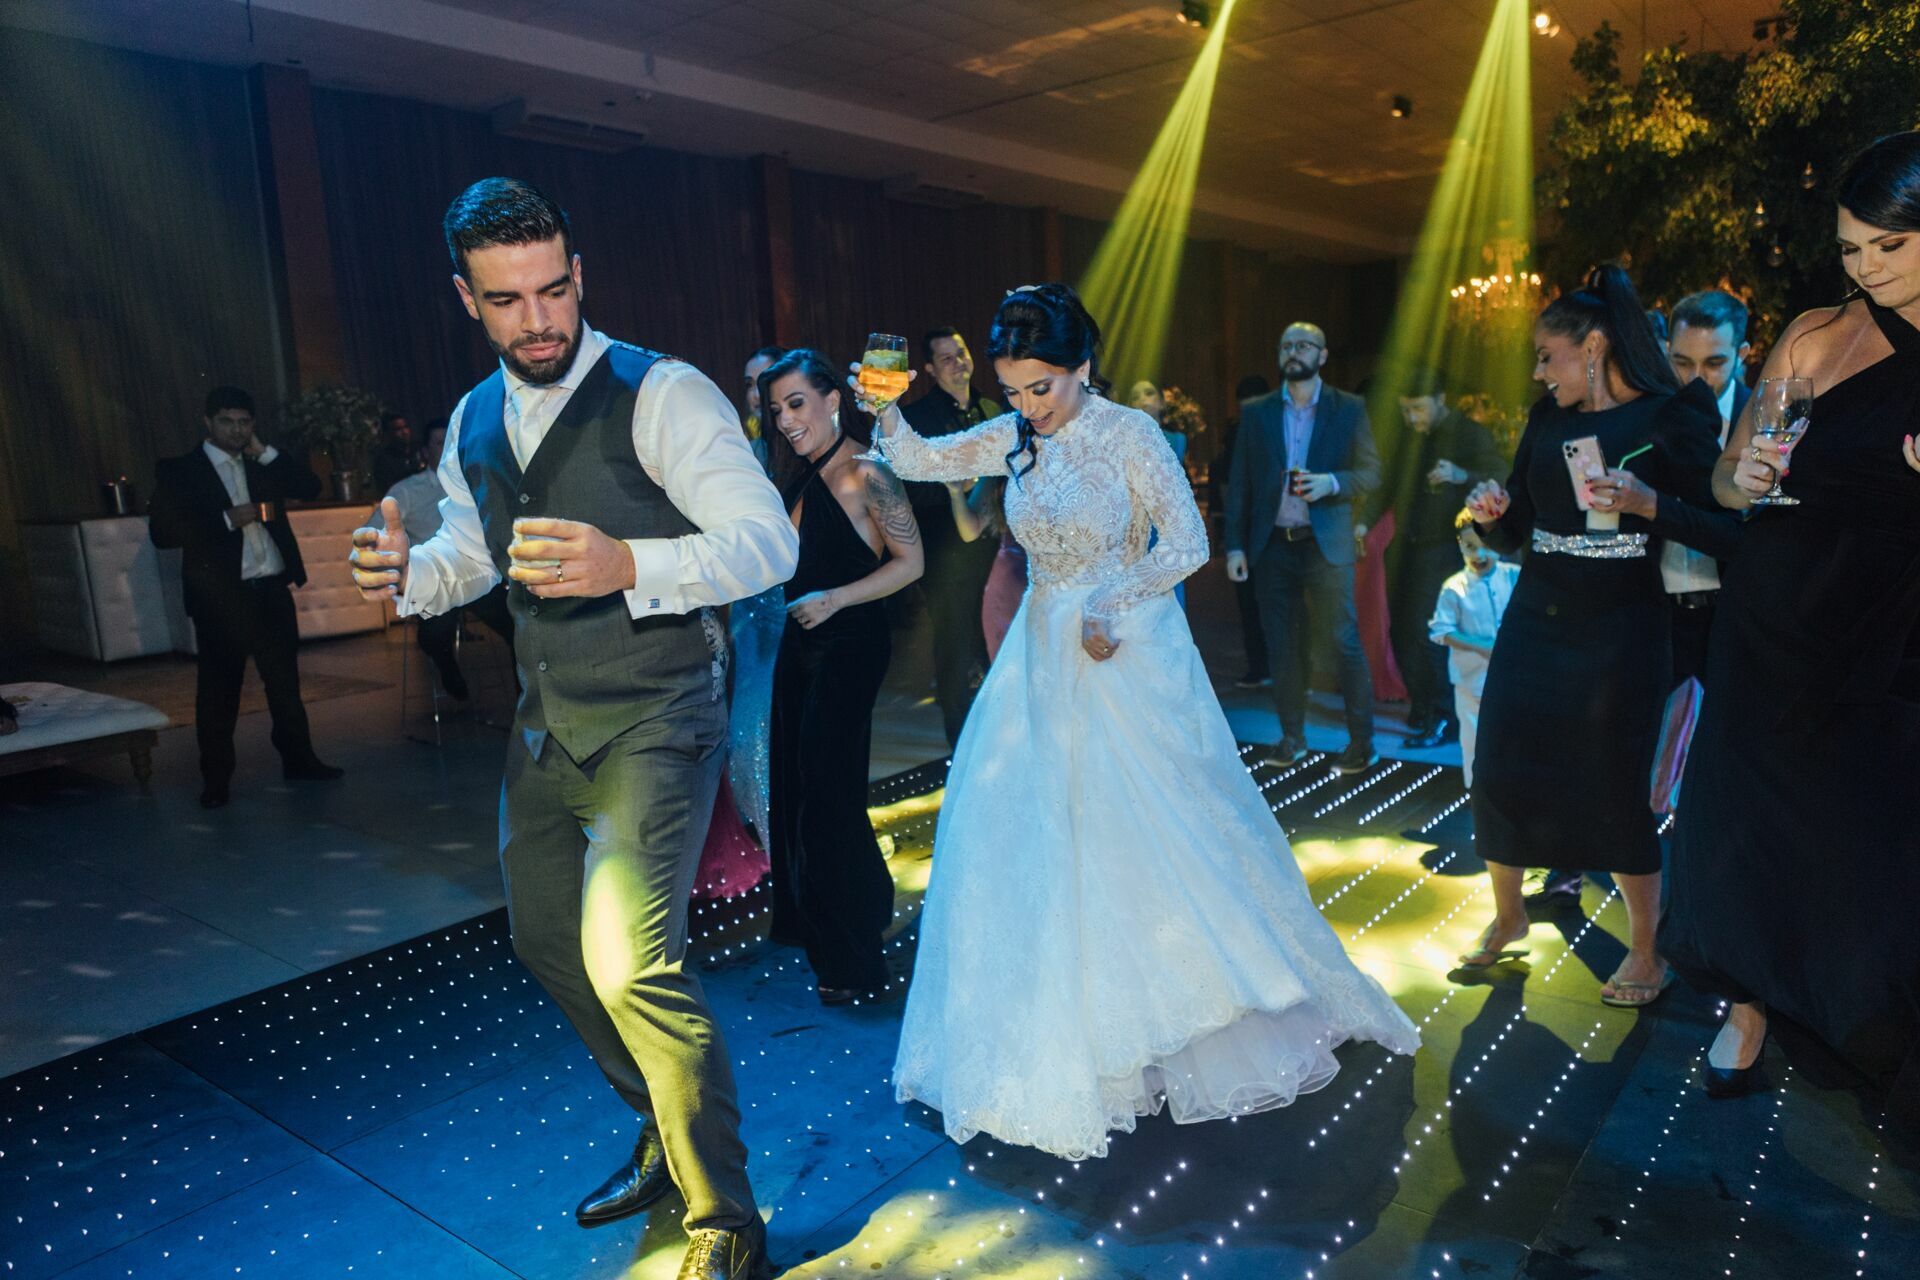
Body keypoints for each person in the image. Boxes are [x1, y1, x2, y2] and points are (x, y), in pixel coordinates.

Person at [347, 178, 794, 1279]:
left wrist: (631, 562)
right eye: (509, 301)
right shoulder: (471, 417)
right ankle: (659, 1122)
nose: (538, 319)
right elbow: (469, 552)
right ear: (468, 298)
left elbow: (767, 543)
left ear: (579, 275)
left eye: (554, 290)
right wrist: (404, 576)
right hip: (547, 727)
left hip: (659, 711)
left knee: (631, 961)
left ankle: (724, 1214)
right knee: (547, 942)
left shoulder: (665, 393)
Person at [869, 283, 1419, 1161]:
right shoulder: (1012, 435)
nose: (1027, 408)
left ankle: (1196, 1010)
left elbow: (1186, 543)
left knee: (1153, 832)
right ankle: (1071, 1038)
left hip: (1121, 649)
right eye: (1013, 391)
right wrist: (885, 415)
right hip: (1040, 658)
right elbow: (924, 461)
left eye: (1042, 388)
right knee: (1037, 838)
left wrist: (1113, 601)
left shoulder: (1128, 434)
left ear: (1082, 366)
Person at [1660, 131, 1920, 1134]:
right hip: (1771, 613)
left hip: (1884, 632)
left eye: (1889, 248)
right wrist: (1750, 474)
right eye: (1852, 247)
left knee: (1863, 842)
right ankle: (1752, 1001)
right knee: (1749, 824)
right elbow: (1731, 474)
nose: (1866, 269)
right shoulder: (1817, 332)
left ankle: (1856, 1018)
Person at [1459, 265, 1725, 1010]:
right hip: (1536, 622)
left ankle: (1648, 950)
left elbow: (1727, 528)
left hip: (1623, 634)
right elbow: (1518, 527)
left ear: (1596, 345)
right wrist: (1491, 512)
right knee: (1501, 767)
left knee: (1614, 791)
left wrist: (1650, 504)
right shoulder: (1548, 420)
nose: (1540, 373)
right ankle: (1511, 914)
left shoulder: (1669, 419)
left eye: (1549, 356)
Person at [757, 348, 923, 1003]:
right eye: (776, 410)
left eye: (796, 404)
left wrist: (838, 599)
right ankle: (856, 909)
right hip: (800, 645)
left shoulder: (867, 472)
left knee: (826, 798)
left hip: (849, 643)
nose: (786, 420)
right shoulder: (798, 475)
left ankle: (853, 961)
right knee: (799, 791)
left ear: (832, 398)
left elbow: (911, 563)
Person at [150, 386, 342, 809]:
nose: (236, 431)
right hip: (222, 598)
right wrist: (223, 519)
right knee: (220, 692)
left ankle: (300, 760)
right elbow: (162, 533)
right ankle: (216, 780)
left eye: (244, 423)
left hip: (270, 589)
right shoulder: (181, 470)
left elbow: (309, 487)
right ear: (208, 422)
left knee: (285, 686)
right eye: (227, 422)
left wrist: (265, 451)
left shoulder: (261, 464)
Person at [1224, 323, 1382, 774]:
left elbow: (1371, 473)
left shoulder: (1348, 408)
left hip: (1324, 543)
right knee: (1282, 646)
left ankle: (1362, 742)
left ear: (1323, 355)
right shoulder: (1256, 413)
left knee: (1343, 641)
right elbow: (1241, 485)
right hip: (1272, 544)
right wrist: (1234, 546)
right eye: (1286, 346)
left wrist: (1330, 482)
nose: (1294, 353)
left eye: (1304, 346)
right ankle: (1292, 736)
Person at [1376, 369, 1506, 749]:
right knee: (1400, 629)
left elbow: (1500, 477)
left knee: (1429, 631)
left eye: (1418, 409)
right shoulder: (1408, 439)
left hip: (1447, 547)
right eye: (1406, 411)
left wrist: (1460, 474)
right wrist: (1364, 525)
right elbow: (1390, 485)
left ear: (1440, 400)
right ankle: (1423, 705)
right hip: (1407, 543)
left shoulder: (1469, 433)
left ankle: (1442, 716)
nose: (1412, 418)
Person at [900, 327, 1001, 746]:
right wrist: (953, 484)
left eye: (960, 353)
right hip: (946, 554)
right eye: (946, 358)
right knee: (955, 645)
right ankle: (961, 744)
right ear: (929, 369)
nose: (958, 362)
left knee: (995, 638)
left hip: (996, 545)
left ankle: (998, 736)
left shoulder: (994, 408)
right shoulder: (918, 418)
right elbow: (908, 487)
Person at [377, 419, 513, 701]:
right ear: (425, 451)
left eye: (448, 441)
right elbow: (378, 531)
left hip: (478, 573)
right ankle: (447, 668)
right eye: (439, 442)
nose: (446, 447)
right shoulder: (406, 490)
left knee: (518, 622)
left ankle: (525, 699)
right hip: (434, 576)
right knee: (435, 629)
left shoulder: (476, 481)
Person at [726, 344, 789, 845]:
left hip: (799, 601)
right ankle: (770, 838)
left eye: (766, 379)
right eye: (750, 382)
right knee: (747, 731)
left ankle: (795, 835)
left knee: (792, 726)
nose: (756, 391)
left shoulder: (805, 450)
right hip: (751, 607)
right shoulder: (740, 453)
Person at [1427, 509, 1519, 788]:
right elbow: (1441, 630)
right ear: (1460, 546)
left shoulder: (1514, 576)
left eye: (1486, 548)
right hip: (1471, 681)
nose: (1479, 556)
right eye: (1470, 548)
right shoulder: (1454, 587)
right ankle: (1477, 791)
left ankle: (1509, 789)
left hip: (1511, 678)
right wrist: (1482, 647)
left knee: (1511, 736)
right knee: (1474, 739)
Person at [1220, 374, 1273, 688]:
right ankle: (1260, 665)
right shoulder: (1238, 434)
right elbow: (1231, 485)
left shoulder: (1277, 429)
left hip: (1271, 530)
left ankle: (1281, 667)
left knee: (1276, 605)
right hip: (1248, 528)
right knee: (1250, 603)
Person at [947, 474, 1027, 661]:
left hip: (1063, 578)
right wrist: (955, 492)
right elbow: (970, 532)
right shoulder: (1004, 457)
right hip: (1012, 579)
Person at [371, 412, 420, 494]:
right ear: (389, 433)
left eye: (406, 427)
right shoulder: (384, 459)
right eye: (398, 429)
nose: (404, 432)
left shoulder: (420, 451)